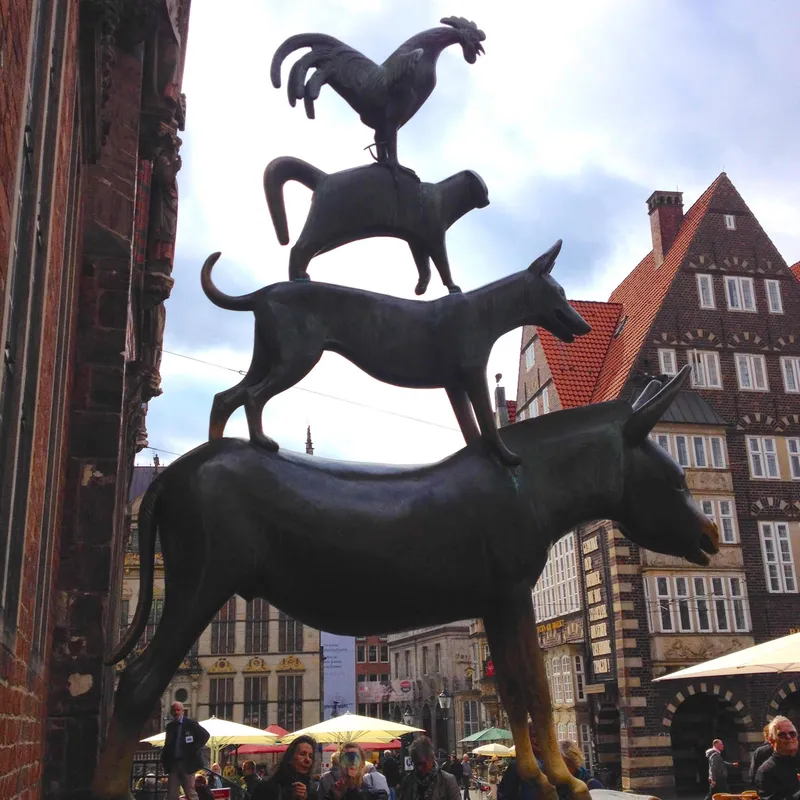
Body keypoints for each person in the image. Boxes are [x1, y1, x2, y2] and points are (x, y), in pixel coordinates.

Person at [161, 701, 211, 800]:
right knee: (171, 793)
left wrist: (195, 748)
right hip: (174, 764)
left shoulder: (191, 724)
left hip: (187, 763)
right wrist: (164, 758)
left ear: (183, 711)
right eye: (174, 710)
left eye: (178, 710)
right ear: (171, 712)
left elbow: (205, 735)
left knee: (190, 791)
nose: (176, 712)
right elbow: (167, 744)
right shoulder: (170, 726)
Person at [253, 735, 318, 800]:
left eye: (311, 756)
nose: (307, 760)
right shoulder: (266, 788)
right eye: (302, 754)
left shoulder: (311, 792)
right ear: (290, 757)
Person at [398, 736, 460, 800]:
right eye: (415, 764)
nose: (419, 768)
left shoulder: (447, 780)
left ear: (431, 758)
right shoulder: (408, 781)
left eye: (422, 764)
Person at [755, 716, 800, 800]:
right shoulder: (766, 771)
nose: (789, 737)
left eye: (792, 733)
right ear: (771, 740)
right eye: (782, 734)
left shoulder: (797, 759)